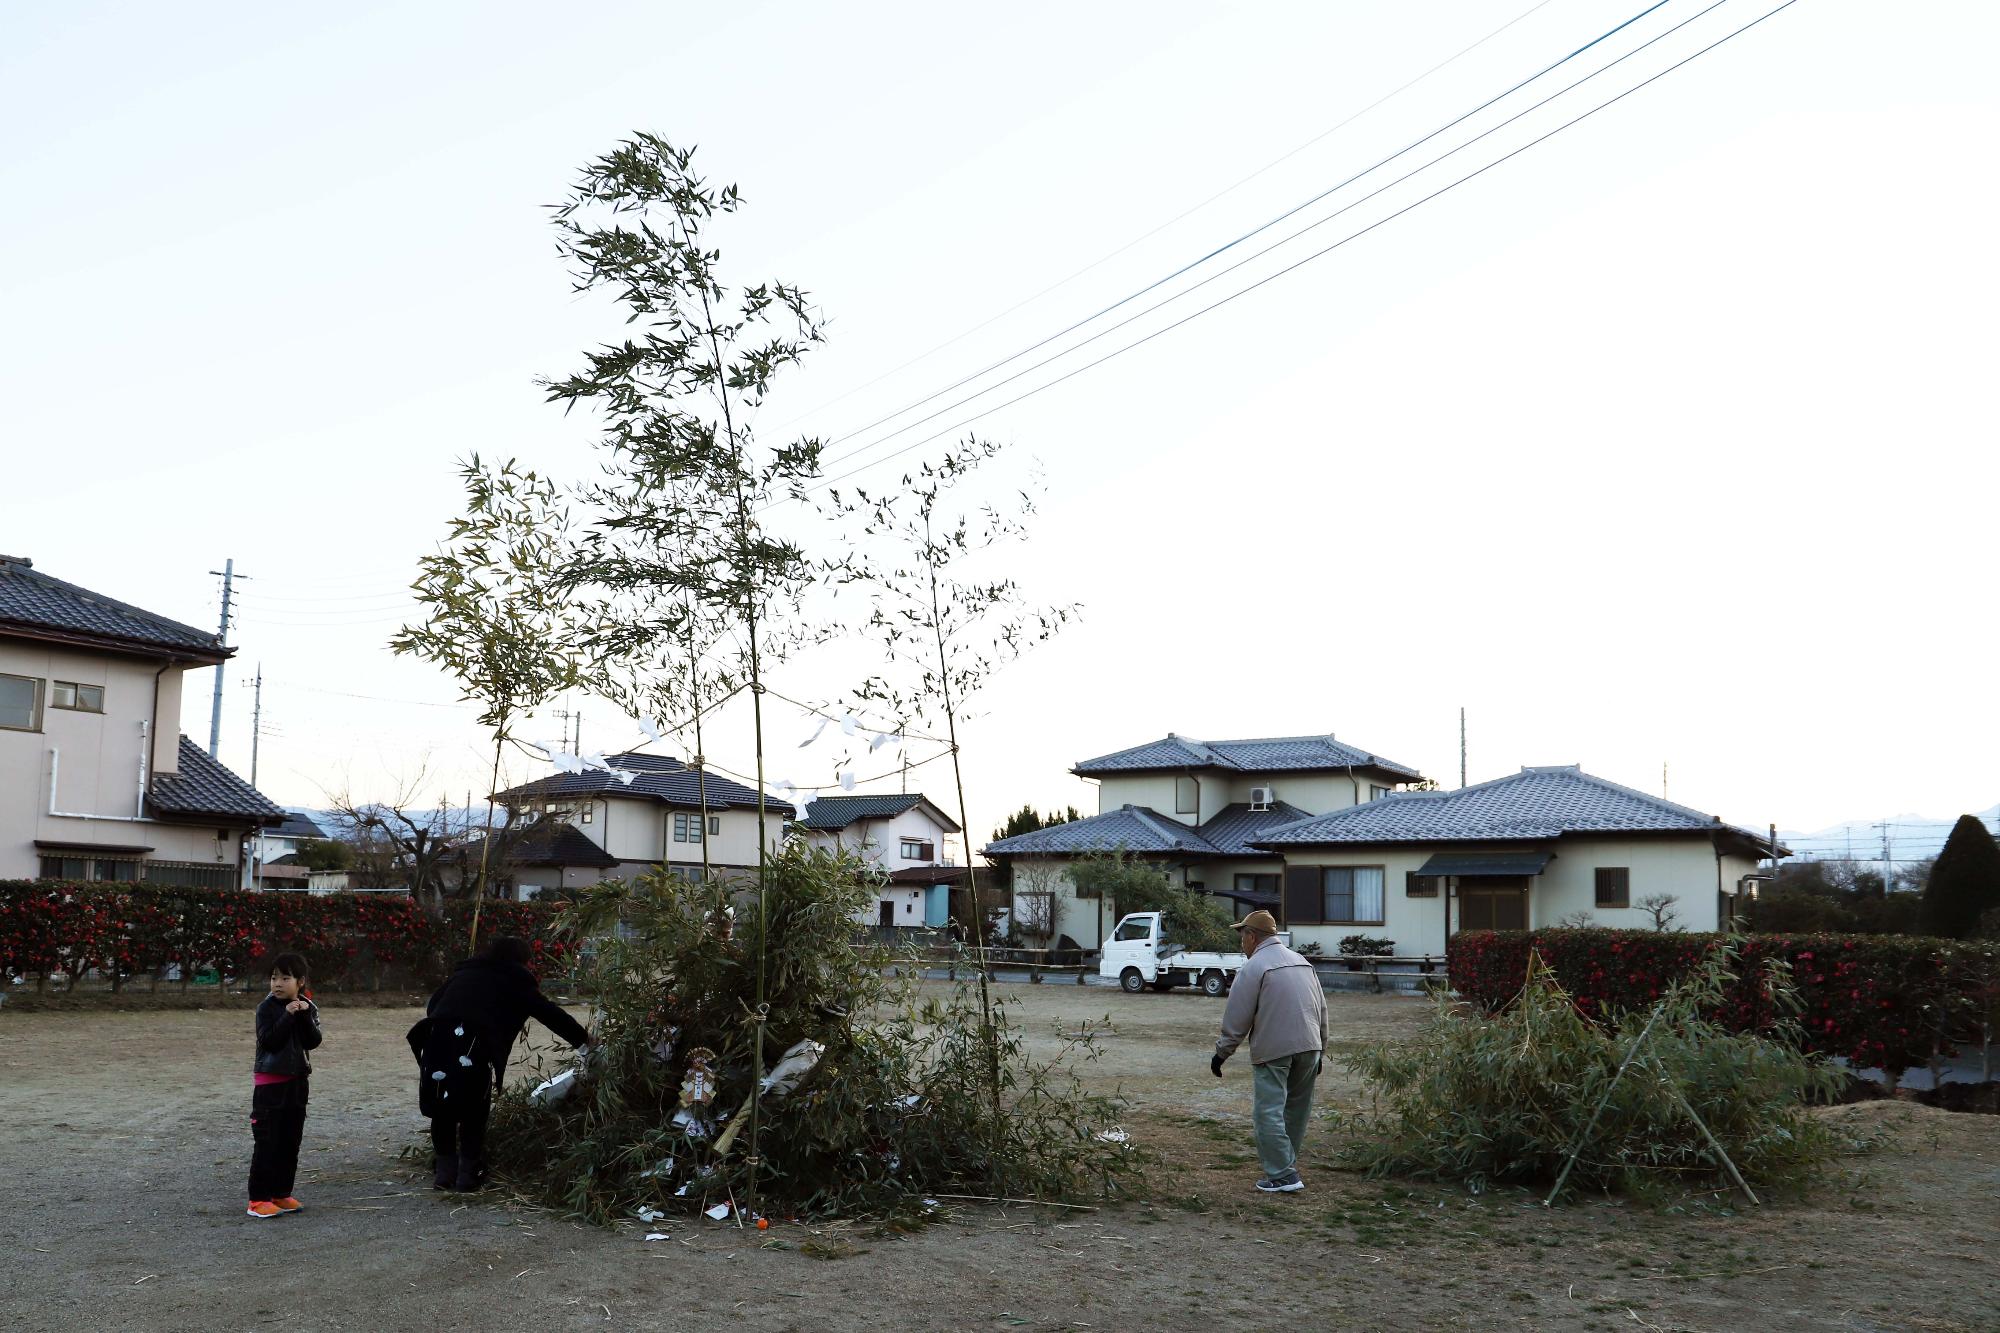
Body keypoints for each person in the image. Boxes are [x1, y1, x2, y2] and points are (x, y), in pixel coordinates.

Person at [410, 935, 589, 1192]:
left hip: (436, 1041)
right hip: (471, 1048)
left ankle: (444, 1174)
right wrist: (583, 1040)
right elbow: (550, 1013)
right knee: (474, 1109)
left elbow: (434, 1005)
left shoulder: (464, 973)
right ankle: (467, 1176)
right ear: (520, 961)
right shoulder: (514, 980)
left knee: (443, 1107)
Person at [1210, 910, 1325, 1194]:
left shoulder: (1254, 967)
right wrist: (1321, 1047)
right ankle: (1286, 1166)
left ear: (1252, 937)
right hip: (1311, 1045)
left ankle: (1282, 1175)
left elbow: (1238, 1017)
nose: (1241, 944)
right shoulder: (1302, 962)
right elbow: (1321, 1008)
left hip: (1274, 1050)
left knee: (1269, 1111)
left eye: (1242, 938)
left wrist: (1222, 1053)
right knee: (1297, 1110)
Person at [248, 952, 321, 1219]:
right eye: (273, 978)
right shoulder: (265, 1008)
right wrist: (287, 1015)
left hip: (298, 1082)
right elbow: (269, 1041)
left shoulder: (308, 1007)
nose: (277, 983)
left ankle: (281, 1193)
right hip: (270, 1084)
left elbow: (313, 1041)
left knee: (290, 1141)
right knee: (267, 1142)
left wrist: (301, 1015)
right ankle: (258, 1199)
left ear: (300, 982)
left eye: (285, 978)